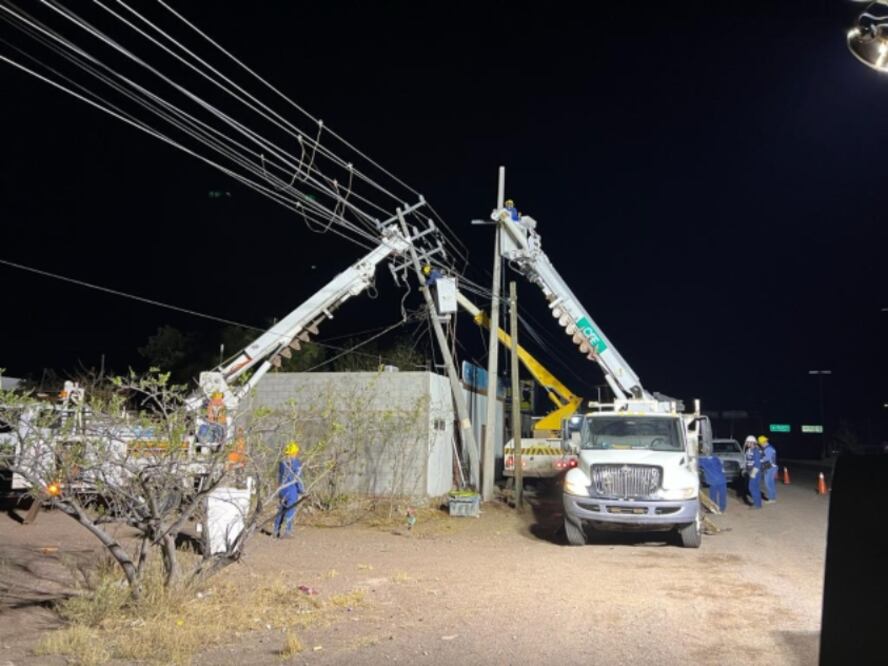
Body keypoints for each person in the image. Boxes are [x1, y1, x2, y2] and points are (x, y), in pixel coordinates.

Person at [274, 442, 303, 538]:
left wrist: (278, 490)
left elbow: (278, 477)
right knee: (290, 510)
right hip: (292, 490)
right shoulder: (296, 463)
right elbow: (298, 478)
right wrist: (301, 490)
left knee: (281, 510)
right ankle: (287, 531)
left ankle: (276, 531)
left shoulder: (281, 463)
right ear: (294, 452)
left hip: (282, 489)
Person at [743, 435, 762, 509]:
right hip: (750, 471)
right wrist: (745, 469)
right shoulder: (749, 450)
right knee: (755, 488)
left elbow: (757, 463)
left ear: (752, 443)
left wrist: (753, 473)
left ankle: (757, 505)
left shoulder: (756, 450)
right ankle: (758, 504)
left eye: (748, 442)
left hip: (755, 472)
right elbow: (748, 461)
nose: (746, 444)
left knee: (752, 488)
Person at [759, 435, 778, 503]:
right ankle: (773, 498)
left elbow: (767, 459)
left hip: (769, 468)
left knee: (767, 483)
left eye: (761, 443)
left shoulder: (768, 449)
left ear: (763, 442)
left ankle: (771, 498)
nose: (761, 445)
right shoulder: (770, 448)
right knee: (771, 483)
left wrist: (760, 459)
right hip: (772, 467)